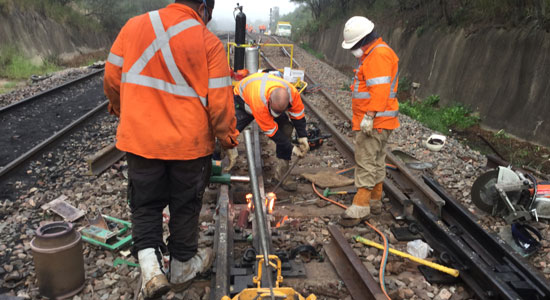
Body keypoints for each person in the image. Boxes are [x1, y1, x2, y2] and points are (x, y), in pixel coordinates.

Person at [103, 0, 239, 298]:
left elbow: (112, 78)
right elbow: (219, 103)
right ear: (204, 7)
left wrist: (126, 110)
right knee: (185, 205)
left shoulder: (133, 26)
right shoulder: (209, 42)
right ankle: (181, 268)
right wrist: (228, 140)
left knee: (146, 204)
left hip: (140, 141)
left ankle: (151, 269)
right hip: (188, 146)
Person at [339, 16, 400, 227]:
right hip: (382, 121)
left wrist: (369, 116)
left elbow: (380, 90)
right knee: (376, 161)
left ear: (363, 40)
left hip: (374, 122)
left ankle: (361, 206)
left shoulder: (377, 55)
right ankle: (375, 201)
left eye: (353, 46)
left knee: (366, 162)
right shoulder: (375, 54)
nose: (352, 50)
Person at [231, 72, 309, 191]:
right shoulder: (259, 102)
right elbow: (272, 132)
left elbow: (297, 115)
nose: (275, 116)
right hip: (243, 100)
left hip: (262, 97)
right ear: (269, 101)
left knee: (286, 128)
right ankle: (216, 165)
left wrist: (303, 136)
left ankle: (281, 175)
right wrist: (292, 148)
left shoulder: (292, 93)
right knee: (228, 133)